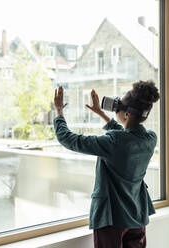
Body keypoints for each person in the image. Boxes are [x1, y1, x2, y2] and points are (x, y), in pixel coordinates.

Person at [53, 81, 160, 248]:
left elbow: (69, 139)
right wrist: (102, 114)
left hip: (112, 219)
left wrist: (59, 111)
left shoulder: (114, 141)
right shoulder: (150, 138)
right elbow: (126, 135)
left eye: (118, 108)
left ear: (127, 115)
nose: (115, 111)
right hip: (137, 216)